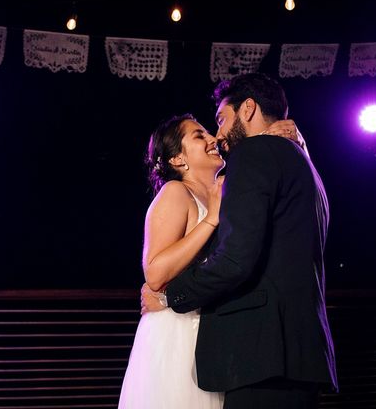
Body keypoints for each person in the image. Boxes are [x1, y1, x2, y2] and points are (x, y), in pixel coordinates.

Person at [142, 73, 337, 408]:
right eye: (202, 131)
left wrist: (170, 297)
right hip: (295, 353)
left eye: (219, 121)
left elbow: (235, 259)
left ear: (247, 109)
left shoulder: (253, 154)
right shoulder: (305, 165)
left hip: (262, 354)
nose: (217, 136)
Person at [118, 109, 302, 408]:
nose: (213, 138)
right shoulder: (175, 192)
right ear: (178, 159)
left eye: (210, 131)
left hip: (215, 332)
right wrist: (211, 220)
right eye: (199, 135)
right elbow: (154, 273)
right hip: (178, 332)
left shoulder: (226, 191)